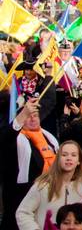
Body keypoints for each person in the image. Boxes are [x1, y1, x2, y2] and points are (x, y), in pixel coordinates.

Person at [1, 98, 59, 230]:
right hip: (20, 199)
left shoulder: (49, 138)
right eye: (29, 116)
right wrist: (23, 114)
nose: (33, 119)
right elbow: (5, 138)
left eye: (35, 116)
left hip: (47, 197)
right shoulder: (15, 139)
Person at [16, 141, 82, 229]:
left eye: (73, 155)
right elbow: (23, 212)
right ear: (58, 159)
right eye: (64, 155)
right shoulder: (42, 185)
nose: (69, 158)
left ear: (79, 161)